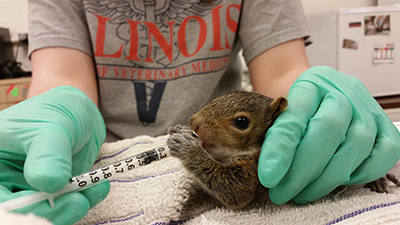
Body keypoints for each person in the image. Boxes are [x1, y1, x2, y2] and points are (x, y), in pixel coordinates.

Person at [1, 0, 399, 224]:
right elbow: (61, 78)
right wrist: (58, 110)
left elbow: (284, 74)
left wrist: (325, 114)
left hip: (208, 153)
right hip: (106, 154)